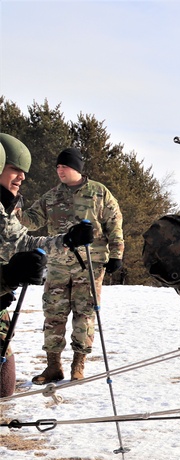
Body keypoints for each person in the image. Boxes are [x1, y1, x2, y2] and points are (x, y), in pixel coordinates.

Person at [20, 147, 123, 383]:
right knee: (53, 313)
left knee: (84, 315)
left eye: (63, 166)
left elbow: (114, 223)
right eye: (57, 167)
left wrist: (117, 253)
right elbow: (31, 221)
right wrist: (15, 209)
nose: (59, 170)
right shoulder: (51, 196)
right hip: (58, 264)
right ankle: (53, 366)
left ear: (76, 168)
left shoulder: (99, 193)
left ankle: (79, 365)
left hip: (89, 265)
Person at [0, 135, 93, 394]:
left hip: (83, 270)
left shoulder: (4, 209)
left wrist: (68, 240)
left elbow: (21, 241)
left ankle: (77, 364)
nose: (22, 177)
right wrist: (6, 277)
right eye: (15, 170)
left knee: (4, 387)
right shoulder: (47, 197)